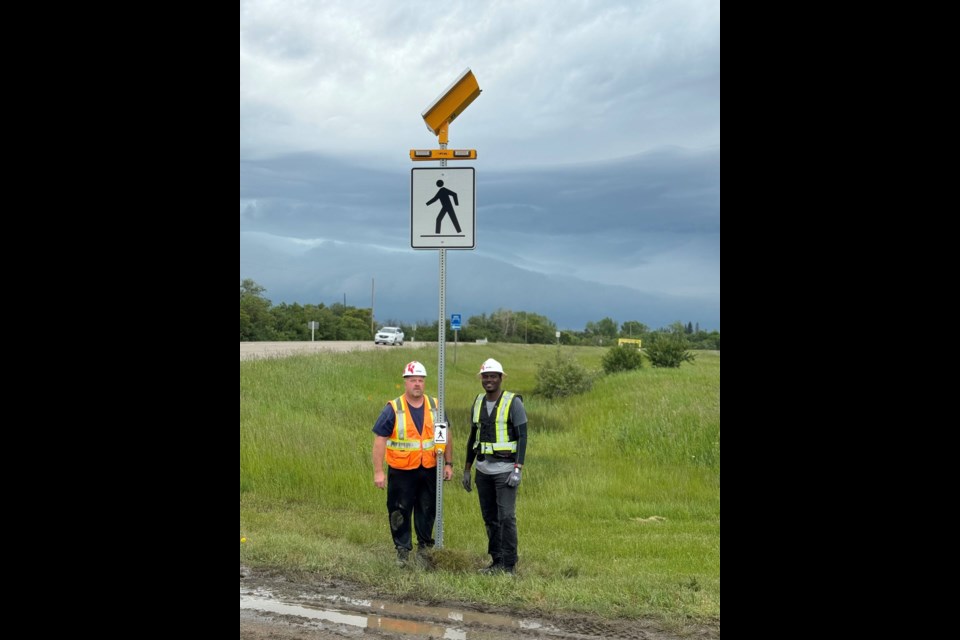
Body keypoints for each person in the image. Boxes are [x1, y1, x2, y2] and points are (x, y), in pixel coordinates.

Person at [372, 361, 453, 566]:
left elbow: (446, 436)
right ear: (405, 383)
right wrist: (378, 471)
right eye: (413, 380)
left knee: (427, 509)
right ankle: (402, 551)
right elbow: (380, 439)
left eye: (420, 380)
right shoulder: (393, 408)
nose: (417, 384)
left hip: (429, 468)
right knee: (399, 510)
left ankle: (424, 549)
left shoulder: (435, 406)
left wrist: (448, 463)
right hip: (401, 471)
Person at [461, 358, 528, 575]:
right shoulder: (478, 401)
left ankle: (509, 565)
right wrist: (467, 469)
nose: (489, 380)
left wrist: (518, 468)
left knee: (506, 516)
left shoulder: (513, 402)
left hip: (505, 471)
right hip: (483, 471)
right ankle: (496, 561)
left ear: (500, 378)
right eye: (485, 376)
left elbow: (522, 436)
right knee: (489, 517)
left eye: (493, 376)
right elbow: (473, 437)